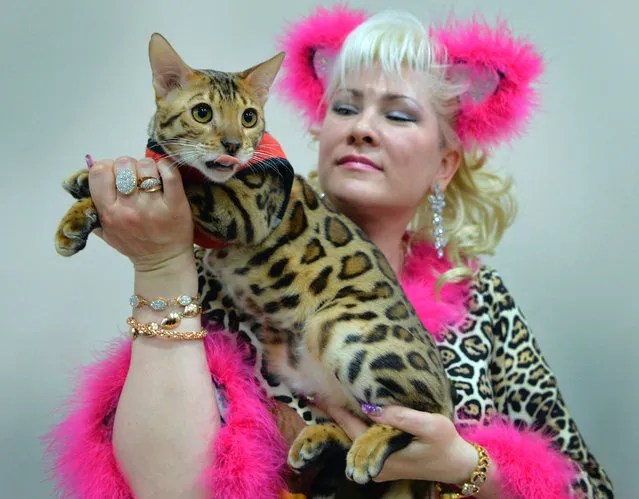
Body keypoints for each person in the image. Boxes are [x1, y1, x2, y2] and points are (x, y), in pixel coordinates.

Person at [43, 5, 614, 499]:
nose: (363, 128)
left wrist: (465, 467)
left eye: (397, 114)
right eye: (346, 108)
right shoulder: (209, 260)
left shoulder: (481, 302)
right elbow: (164, 488)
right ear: (320, 137)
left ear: (444, 165)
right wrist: (161, 267)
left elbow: (587, 487)